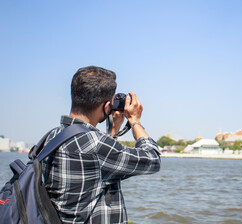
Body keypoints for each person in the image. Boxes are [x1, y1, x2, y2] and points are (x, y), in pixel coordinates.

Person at [41, 66, 161, 223]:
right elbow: (152, 160)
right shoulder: (96, 145)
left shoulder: (50, 138)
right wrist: (135, 121)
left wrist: (114, 130)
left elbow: (98, 170)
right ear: (106, 106)